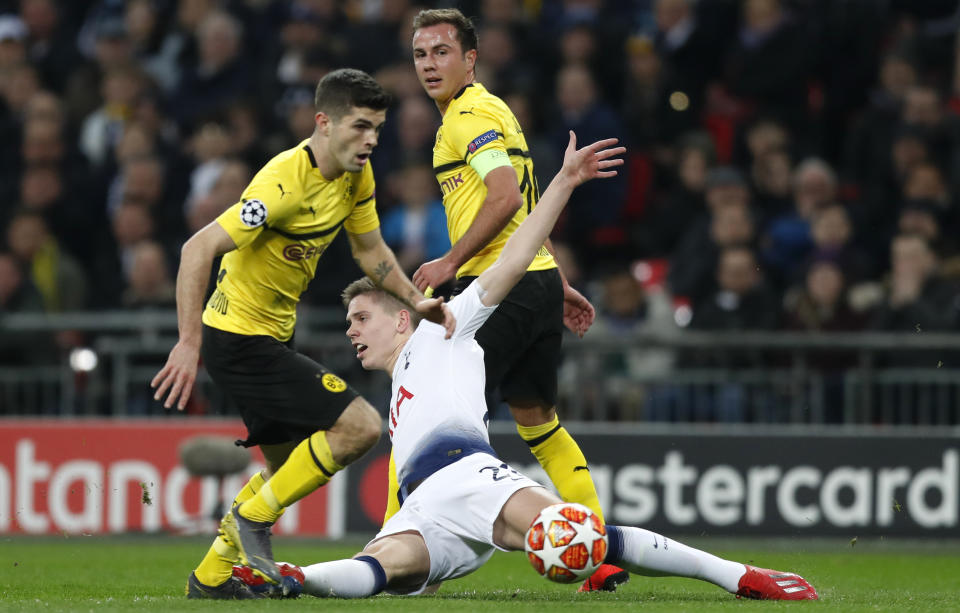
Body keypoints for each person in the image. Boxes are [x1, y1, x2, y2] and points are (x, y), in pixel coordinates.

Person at [297, 132, 817, 601]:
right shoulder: (402, 381)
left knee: (578, 532)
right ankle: (285, 577)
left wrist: (563, 183)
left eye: (362, 317)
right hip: (425, 505)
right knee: (379, 571)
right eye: (349, 322)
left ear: (402, 319)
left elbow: (516, 257)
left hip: (466, 476)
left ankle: (738, 575)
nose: (351, 331)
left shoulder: (444, 328)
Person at [150, 68, 455, 599]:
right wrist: (188, 341)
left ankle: (211, 577)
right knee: (359, 427)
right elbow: (196, 248)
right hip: (239, 338)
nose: (371, 140)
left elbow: (369, 251)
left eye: (377, 129)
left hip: (271, 335)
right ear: (324, 122)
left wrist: (416, 301)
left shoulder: (356, 175)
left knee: (288, 467)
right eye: (360, 126)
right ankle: (252, 520)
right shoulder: (282, 183)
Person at [407, 9, 622, 592]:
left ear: (470, 59)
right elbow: (524, 201)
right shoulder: (496, 109)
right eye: (421, 54)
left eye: (442, 52)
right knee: (539, 424)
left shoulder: (467, 115)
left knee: (426, 414)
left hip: (495, 288)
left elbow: (502, 198)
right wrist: (556, 279)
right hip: (536, 279)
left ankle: (398, 549)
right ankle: (596, 556)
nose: (429, 64)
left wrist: (450, 261)